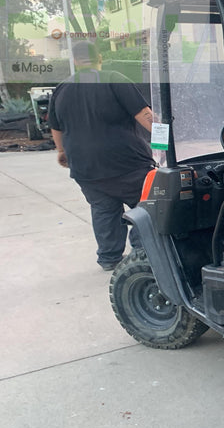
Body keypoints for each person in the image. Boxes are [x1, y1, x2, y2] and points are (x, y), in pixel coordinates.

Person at [48, 41, 155, 271]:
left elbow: (56, 128)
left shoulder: (61, 89)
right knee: (143, 207)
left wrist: (61, 152)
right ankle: (142, 254)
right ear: (100, 58)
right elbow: (145, 116)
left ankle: (109, 257)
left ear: (76, 61)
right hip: (127, 164)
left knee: (103, 209)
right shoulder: (113, 79)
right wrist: (166, 143)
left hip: (86, 168)